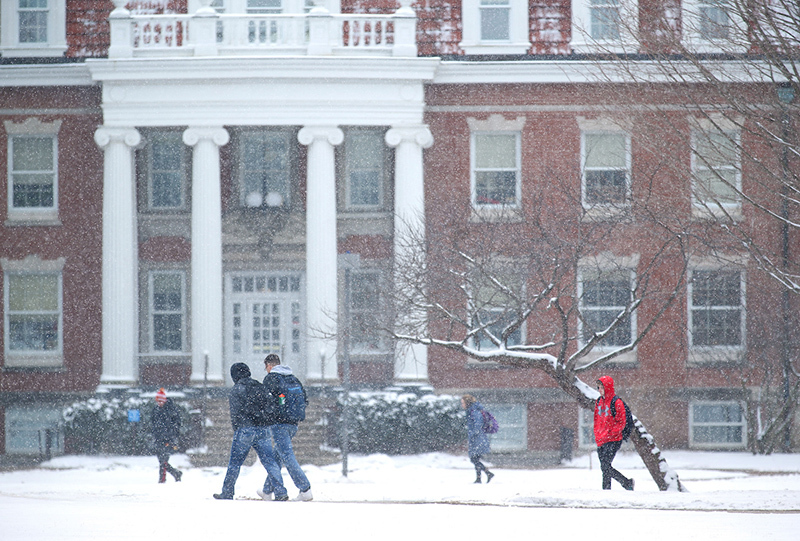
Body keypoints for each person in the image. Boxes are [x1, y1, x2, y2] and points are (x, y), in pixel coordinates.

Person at [214, 363, 288, 501]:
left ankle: (227, 492)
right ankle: (280, 492)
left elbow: (235, 413)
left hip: (245, 429)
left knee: (235, 463)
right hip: (263, 429)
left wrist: (239, 427)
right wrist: (264, 419)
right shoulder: (260, 386)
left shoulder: (236, 390)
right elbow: (271, 405)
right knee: (270, 462)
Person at [258, 353, 313, 502]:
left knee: (287, 457)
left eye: (266, 368)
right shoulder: (293, 378)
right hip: (293, 424)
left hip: (279, 424)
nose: (266, 370)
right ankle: (267, 491)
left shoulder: (271, 378)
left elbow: (264, 401)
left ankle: (305, 489)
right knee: (278, 457)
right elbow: (305, 400)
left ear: (269, 366)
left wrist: (268, 416)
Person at [594, 375, 634, 491]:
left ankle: (626, 483)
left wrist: (610, 433)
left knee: (605, 466)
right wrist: (598, 433)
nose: (599, 390)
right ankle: (608, 489)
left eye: (602, 387)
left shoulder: (616, 402)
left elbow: (621, 422)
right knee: (604, 467)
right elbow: (597, 420)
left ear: (608, 387)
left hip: (613, 439)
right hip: (601, 439)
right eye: (598, 387)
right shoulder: (598, 402)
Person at [151, 387, 183, 483]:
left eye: (161, 401)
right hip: (158, 438)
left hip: (168, 439)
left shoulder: (171, 410)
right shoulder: (155, 410)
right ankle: (175, 473)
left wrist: (171, 436)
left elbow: (176, 424)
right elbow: (153, 423)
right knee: (161, 459)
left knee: (164, 459)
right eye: (158, 401)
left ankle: (162, 479)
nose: (159, 403)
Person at [461, 394, 494, 484]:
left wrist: (472, 434)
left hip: (478, 439)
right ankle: (479, 478)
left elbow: (477, 426)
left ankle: (487, 473)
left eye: (463, 403)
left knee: (474, 459)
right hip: (477, 438)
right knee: (476, 459)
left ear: (467, 403)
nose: (462, 405)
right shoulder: (472, 411)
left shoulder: (474, 412)